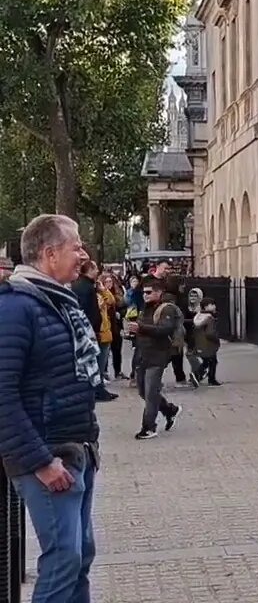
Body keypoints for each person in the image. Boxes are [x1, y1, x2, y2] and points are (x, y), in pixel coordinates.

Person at [0, 214, 102, 602]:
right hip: (49, 457)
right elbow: (3, 394)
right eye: (76, 246)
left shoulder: (57, 302)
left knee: (79, 557)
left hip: (75, 450)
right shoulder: (17, 308)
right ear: (48, 253)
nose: (83, 254)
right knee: (63, 560)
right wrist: (40, 461)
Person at [124, 276, 182, 440]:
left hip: (158, 356)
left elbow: (164, 329)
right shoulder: (145, 309)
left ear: (159, 292)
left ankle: (148, 427)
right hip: (143, 355)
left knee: (150, 393)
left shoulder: (166, 309)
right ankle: (170, 409)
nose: (146, 295)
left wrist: (140, 327)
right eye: (144, 293)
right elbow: (145, 330)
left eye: (149, 292)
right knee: (144, 391)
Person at [70, 261, 118, 402]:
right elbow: (87, 309)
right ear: (90, 269)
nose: (97, 271)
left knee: (97, 360)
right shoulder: (86, 287)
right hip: (93, 329)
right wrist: (92, 327)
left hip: (96, 328)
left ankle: (98, 388)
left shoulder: (86, 285)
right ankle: (97, 390)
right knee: (97, 360)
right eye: (96, 268)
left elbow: (111, 301)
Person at [190, 297, 221, 386]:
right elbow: (210, 333)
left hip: (201, 343)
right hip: (209, 343)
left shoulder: (198, 316)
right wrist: (216, 339)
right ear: (206, 307)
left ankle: (198, 376)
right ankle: (208, 378)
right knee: (212, 361)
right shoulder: (209, 318)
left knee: (207, 361)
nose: (214, 306)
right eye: (212, 305)